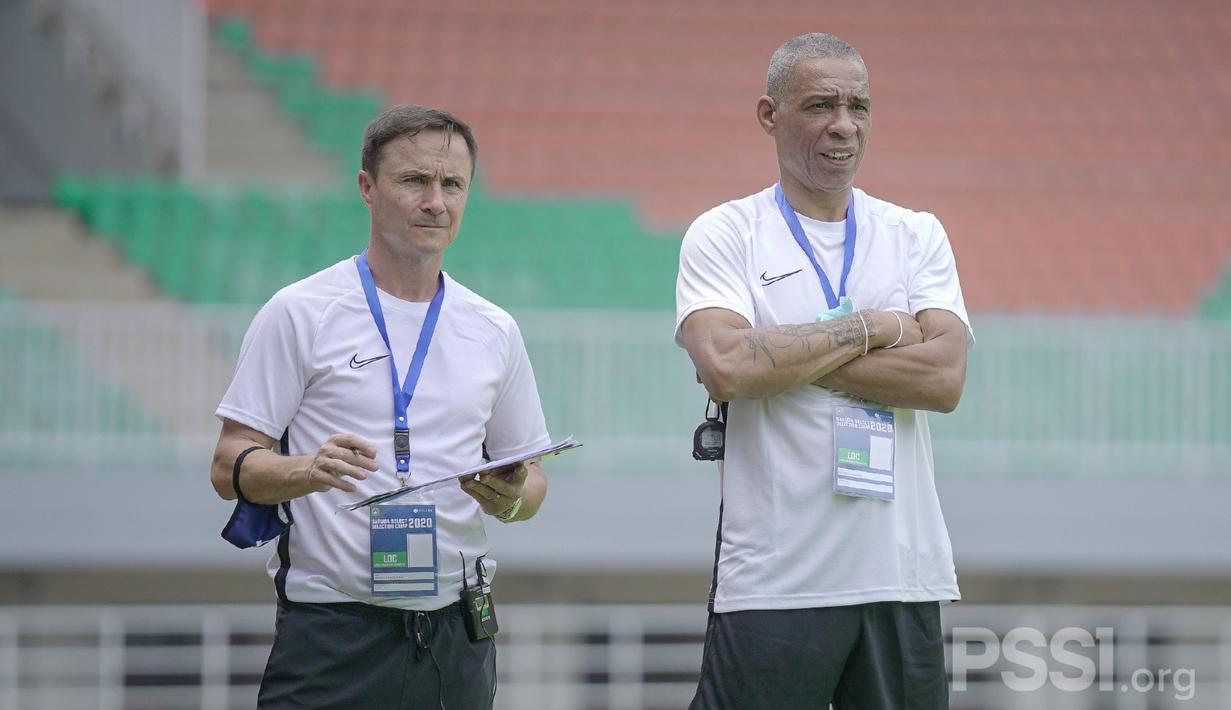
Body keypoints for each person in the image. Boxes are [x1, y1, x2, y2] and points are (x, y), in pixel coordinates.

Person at [210, 104, 552, 709]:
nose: (435, 201)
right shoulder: (300, 312)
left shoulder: (495, 329)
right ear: (367, 187)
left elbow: (533, 483)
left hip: (458, 634)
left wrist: (512, 495)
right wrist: (306, 471)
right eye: (414, 180)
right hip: (333, 635)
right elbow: (228, 465)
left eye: (452, 184)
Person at [675, 33, 973, 709]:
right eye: (819, 105)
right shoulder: (725, 234)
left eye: (857, 106)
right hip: (776, 581)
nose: (843, 125)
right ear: (768, 114)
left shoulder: (914, 233)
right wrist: (869, 328)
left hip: (901, 576)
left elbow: (943, 379)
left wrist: (778, 360)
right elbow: (725, 365)